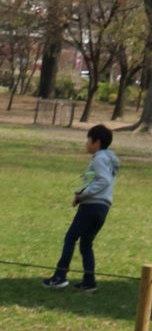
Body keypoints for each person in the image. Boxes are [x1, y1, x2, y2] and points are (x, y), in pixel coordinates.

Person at [43, 124, 120, 292]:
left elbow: (103, 180)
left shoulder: (99, 159)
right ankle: (89, 281)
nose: (86, 143)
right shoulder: (109, 160)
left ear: (97, 142)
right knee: (86, 243)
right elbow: (100, 183)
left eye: (88, 140)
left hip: (92, 206)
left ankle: (59, 277)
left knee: (70, 237)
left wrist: (83, 195)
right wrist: (81, 195)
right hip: (102, 207)